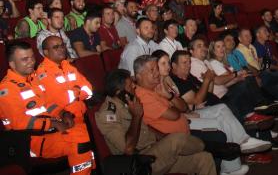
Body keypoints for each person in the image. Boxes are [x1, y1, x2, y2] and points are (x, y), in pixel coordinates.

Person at [133, 55, 251, 175]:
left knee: (224, 110)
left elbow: (183, 106)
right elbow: (175, 114)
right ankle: (230, 166)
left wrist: (169, 96)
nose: (156, 73)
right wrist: (174, 104)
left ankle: (239, 151)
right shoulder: (142, 96)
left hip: (185, 128)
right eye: (151, 70)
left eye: (156, 69)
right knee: (219, 134)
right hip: (172, 139)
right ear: (138, 76)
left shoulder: (158, 88)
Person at [157, 50, 273, 161]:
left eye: (189, 62)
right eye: (184, 62)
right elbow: (195, 102)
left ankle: (239, 155)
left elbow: (207, 93)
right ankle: (246, 138)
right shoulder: (173, 81)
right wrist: (207, 81)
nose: (188, 65)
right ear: (174, 65)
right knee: (225, 111)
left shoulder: (185, 78)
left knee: (238, 95)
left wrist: (209, 80)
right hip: (194, 115)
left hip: (210, 104)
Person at [96, 69, 216, 175]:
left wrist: (164, 138)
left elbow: (146, 129)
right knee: (176, 140)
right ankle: (211, 146)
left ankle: (207, 148)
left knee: (204, 159)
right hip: (139, 164)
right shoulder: (107, 114)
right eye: (130, 85)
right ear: (119, 92)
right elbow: (128, 149)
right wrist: (136, 117)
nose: (134, 86)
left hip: (155, 151)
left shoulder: (127, 102)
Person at [0, 41, 95, 174]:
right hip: (29, 140)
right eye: (24, 59)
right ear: (12, 64)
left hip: (48, 131)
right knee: (80, 140)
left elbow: (47, 104)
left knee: (84, 130)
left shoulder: (33, 79)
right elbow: (19, 123)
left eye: (32, 57)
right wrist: (52, 123)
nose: (31, 62)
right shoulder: (7, 89)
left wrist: (62, 113)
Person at [35, 36, 93, 123]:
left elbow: (89, 89)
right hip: (66, 120)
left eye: (62, 45)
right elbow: (60, 99)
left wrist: (73, 93)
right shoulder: (43, 73)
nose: (61, 49)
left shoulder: (67, 65)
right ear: (46, 52)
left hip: (83, 114)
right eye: (56, 47)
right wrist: (78, 89)